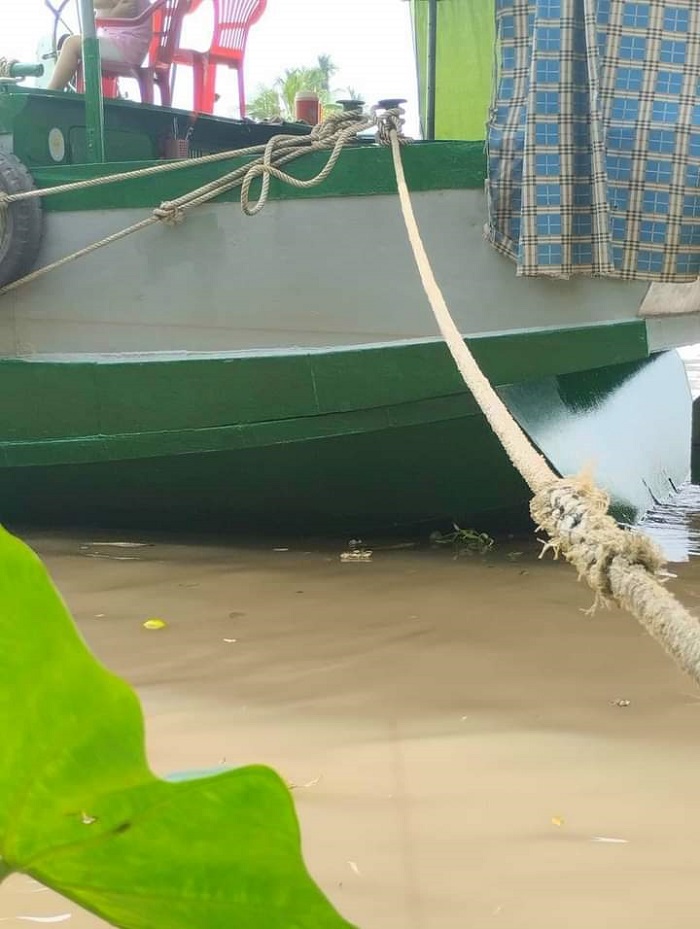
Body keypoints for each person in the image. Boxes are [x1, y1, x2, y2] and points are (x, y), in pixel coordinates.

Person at [48, 0, 153, 91]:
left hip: (127, 49)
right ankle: (64, 93)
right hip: (121, 45)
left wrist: (110, 13)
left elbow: (95, 4)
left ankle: (51, 93)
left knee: (72, 44)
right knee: (76, 47)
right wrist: (112, 12)